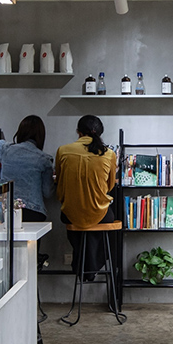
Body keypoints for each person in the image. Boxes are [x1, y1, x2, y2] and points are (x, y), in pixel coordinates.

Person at [55, 115, 119, 277]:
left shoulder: (63, 150)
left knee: (82, 228)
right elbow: (110, 186)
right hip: (100, 214)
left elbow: (59, 182)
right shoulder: (109, 154)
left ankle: (82, 267)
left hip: (70, 214)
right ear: (100, 133)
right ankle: (93, 267)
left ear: (78, 132)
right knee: (110, 219)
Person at [0, 115, 54, 221]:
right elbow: (47, 192)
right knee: (32, 237)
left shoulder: (6, 150)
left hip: (7, 209)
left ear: (20, 132)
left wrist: (8, 144)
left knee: (7, 237)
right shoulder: (44, 159)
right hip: (33, 211)